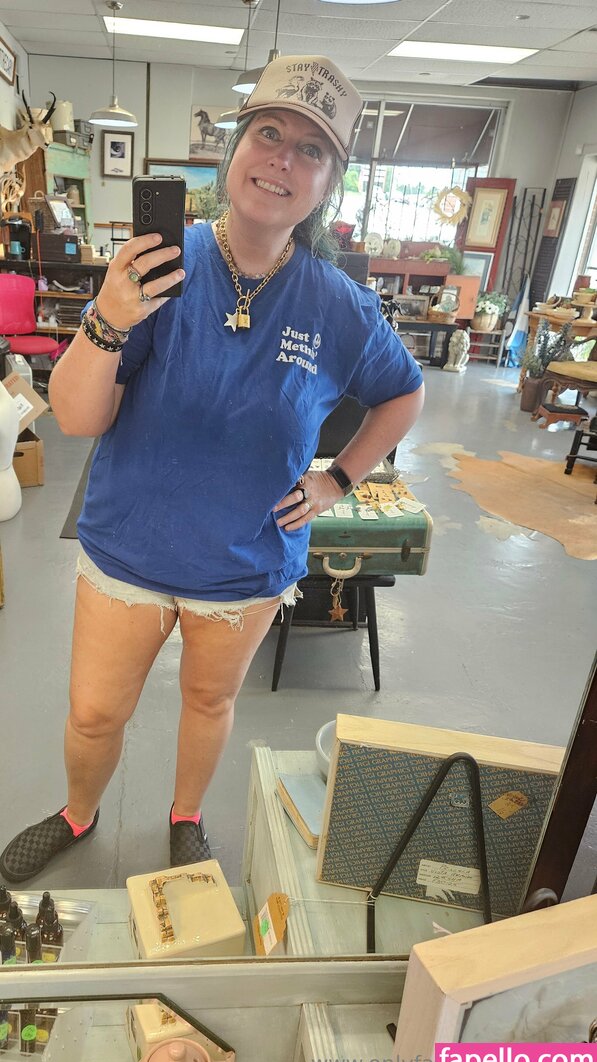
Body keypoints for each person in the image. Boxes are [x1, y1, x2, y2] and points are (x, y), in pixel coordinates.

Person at [0, 55, 424, 883]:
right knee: (93, 714)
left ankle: (186, 815)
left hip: (245, 561)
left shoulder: (338, 306)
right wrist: (110, 316)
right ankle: (78, 812)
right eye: (268, 133)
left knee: (208, 701)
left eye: (310, 149)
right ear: (235, 150)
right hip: (130, 545)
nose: (282, 159)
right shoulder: (160, 265)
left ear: (327, 183)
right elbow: (79, 418)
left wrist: (336, 480)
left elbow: (403, 394)